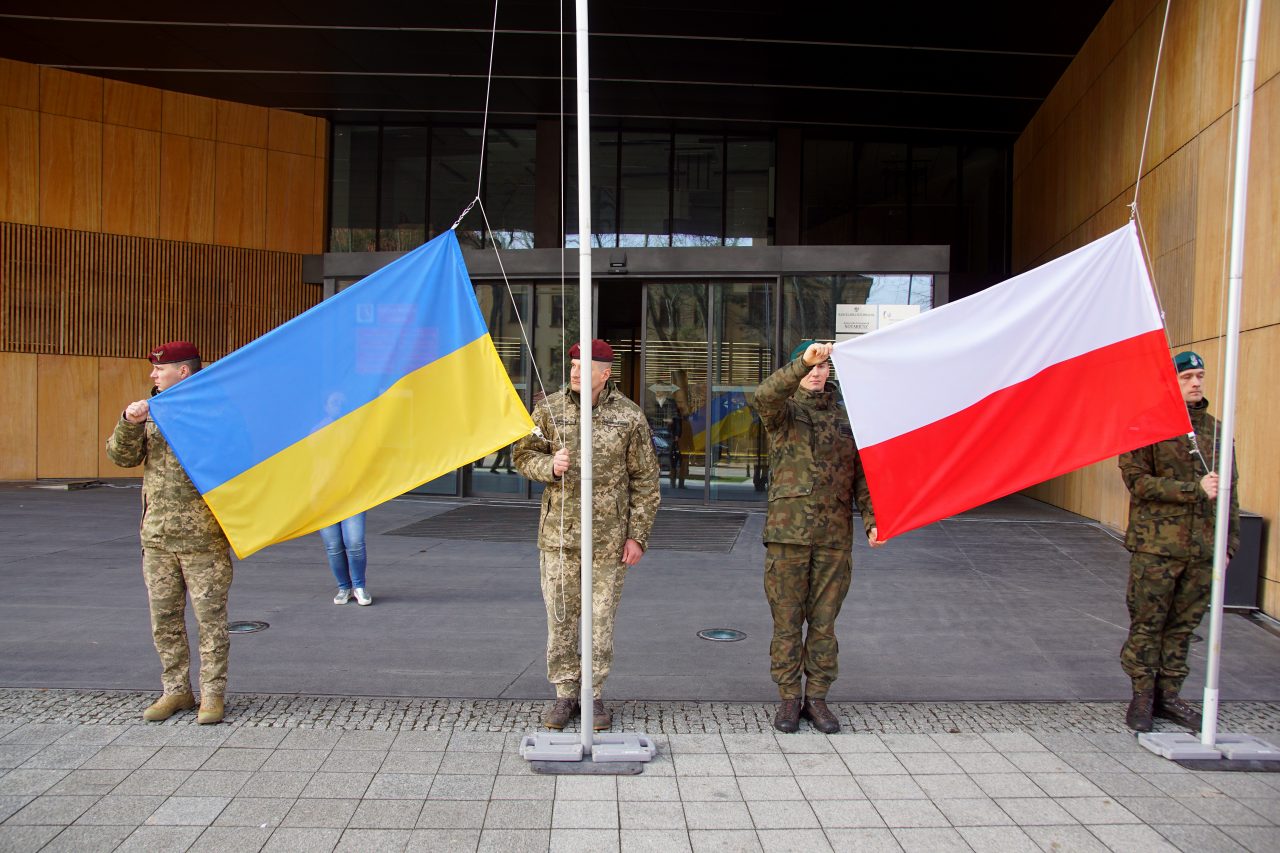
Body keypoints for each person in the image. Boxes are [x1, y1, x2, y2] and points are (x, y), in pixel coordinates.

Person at [513, 339, 661, 731]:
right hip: (558, 538)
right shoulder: (549, 409)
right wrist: (549, 466)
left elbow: (646, 480)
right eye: (574, 363)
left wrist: (638, 536)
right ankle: (565, 695)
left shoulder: (629, 417)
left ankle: (593, 695)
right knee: (561, 618)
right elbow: (521, 455)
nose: (576, 370)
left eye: (586, 365)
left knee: (599, 621)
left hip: (609, 541)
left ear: (605, 373)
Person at [753, 340, 882, 734]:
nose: (817, 372)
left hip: (833, 537)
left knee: (824, 624)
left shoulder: (848, 417)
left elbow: (863, 475)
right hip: (787, 536)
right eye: (810, 365)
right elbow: (764, 395)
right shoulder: (784, 412)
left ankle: (818, 698)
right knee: (788, 623)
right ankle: (789, 698)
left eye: (823, 366)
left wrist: (874, 520)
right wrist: (800, 363)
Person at [106, 341, 233, 725]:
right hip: (158, 538)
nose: (152, 375)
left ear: (184, 371)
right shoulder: (149, 414)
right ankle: (176, 691)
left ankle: (212, 694)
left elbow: (231, 456)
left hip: (203, 539)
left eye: (160, 369)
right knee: (165, 621)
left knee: (211, 622)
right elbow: (121, 456)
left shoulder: (214, 411)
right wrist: (129, 423)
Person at [1119, 351, 1239, 733]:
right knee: (1147, 623)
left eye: (1200, 376)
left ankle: (1169, 695)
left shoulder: (1218, 432)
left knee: (1184, 626)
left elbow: (1230, 495)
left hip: (1201, 550)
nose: (1197, 383)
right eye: (1187, 378)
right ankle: (1142, 695)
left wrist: (1228, 546)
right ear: (1171, 384)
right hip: (1157, 547)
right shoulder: (1145, 427)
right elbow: (1138, 482)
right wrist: (1193, 489)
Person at [322, 512, 371, 606]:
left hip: (352, 500)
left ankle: (359, 587)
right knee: (334, 546)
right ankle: (344, 587)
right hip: (324, 503)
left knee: (355, 543)